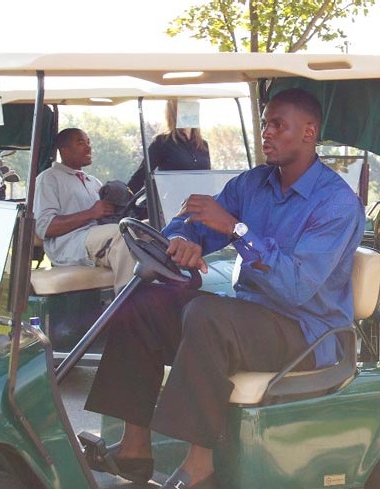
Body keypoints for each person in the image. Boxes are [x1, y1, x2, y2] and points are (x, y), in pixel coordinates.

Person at [84, 88, 365, 489]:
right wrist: (183, 239)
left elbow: (297, 287)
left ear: (308, 133)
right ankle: (134, 451)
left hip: (306, 332)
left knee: (208, 315)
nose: (266, 132)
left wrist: (237, 229)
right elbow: (196, 218)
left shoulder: (336, 203)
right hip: (249, 320)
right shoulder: (252, 184)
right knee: (144, 301)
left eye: (278, 125)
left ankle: (200, 468)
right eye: (265, 123)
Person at [34, 128, 135, 294]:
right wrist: (91, 213)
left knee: (144, 229)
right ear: (64, 150)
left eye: (89, 143)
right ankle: (129, 307)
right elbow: (45, 227)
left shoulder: (93, 182)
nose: (89, 148)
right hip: (69, 244)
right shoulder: (48, 178)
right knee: (124, 236)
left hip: (96, 237)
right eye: (81, 143)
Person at [127, 99, 211, 194]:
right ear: (174, 111)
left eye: (192, 105)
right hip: (173, 203)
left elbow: (208, 180)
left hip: (200, 203)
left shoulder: (203, 145)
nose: (190, 110)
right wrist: (122, 199)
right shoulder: (162, 142)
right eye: (184, 106)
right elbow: (140, 176)